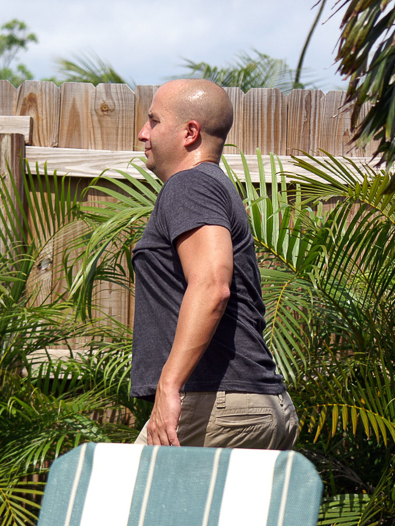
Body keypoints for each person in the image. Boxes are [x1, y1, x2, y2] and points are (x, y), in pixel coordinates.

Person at [131, 79, 298, 449]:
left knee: (124, 506)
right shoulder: (214, 187)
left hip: (216, 405)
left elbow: (211, 285)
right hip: (255, 405)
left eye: (154, 121)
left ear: (190, 132)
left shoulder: (189, 186)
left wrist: (169, 386)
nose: (143, 134)